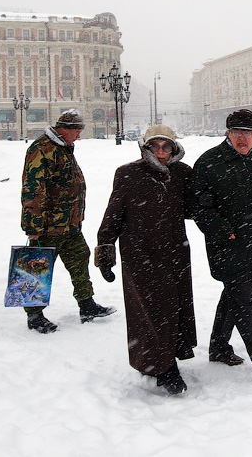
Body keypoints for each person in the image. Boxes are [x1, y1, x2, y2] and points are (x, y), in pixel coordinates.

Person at [189, 109, 252, 384]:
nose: (241, 138)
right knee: (245, 299)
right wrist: (222, 229)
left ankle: (219, 347)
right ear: (228, 133)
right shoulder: (210, 162)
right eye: (236, 132)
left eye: (247, 133)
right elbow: (198, 206)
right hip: (228, 245)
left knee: (236, 294)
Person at [94, 125, 197, 395]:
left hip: (175, 251)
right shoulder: (128, 173)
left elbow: (196, 208)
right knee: (151, 311)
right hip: (140, 254)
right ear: (145, 147)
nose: (161, 152)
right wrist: (106, 248)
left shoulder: (183, 174)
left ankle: (160, 357)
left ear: (174, 148)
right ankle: (163, 367)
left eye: (166, 147)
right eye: (155, 146)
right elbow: (113, 213)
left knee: (174, 307)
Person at [21, 109, 115, 333]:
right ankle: (34, 316)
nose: (79, 136)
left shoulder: (63, 148)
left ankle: (87, 304)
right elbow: (33, 189)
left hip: (69, 224)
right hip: (48, 226)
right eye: (77, 131)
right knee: (36, 268)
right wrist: (33, 226)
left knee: (80, 259)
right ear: (65, 129)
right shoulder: (42, 149)